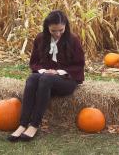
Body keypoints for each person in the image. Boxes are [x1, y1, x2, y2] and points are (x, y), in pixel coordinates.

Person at [7, 10, 85, 142]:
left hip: (67, 80)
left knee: (46, 78)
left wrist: (58, 72)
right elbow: (34, 62)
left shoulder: (73, 40)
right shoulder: (40, 38)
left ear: (65, 26)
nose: (57, 34)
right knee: (32, 78)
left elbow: (79, 65)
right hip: (46, 79)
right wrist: (44, 70)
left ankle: (34, 125)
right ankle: (23, 124)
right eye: (53, 30)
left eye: (61, 30)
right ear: (47, 27)